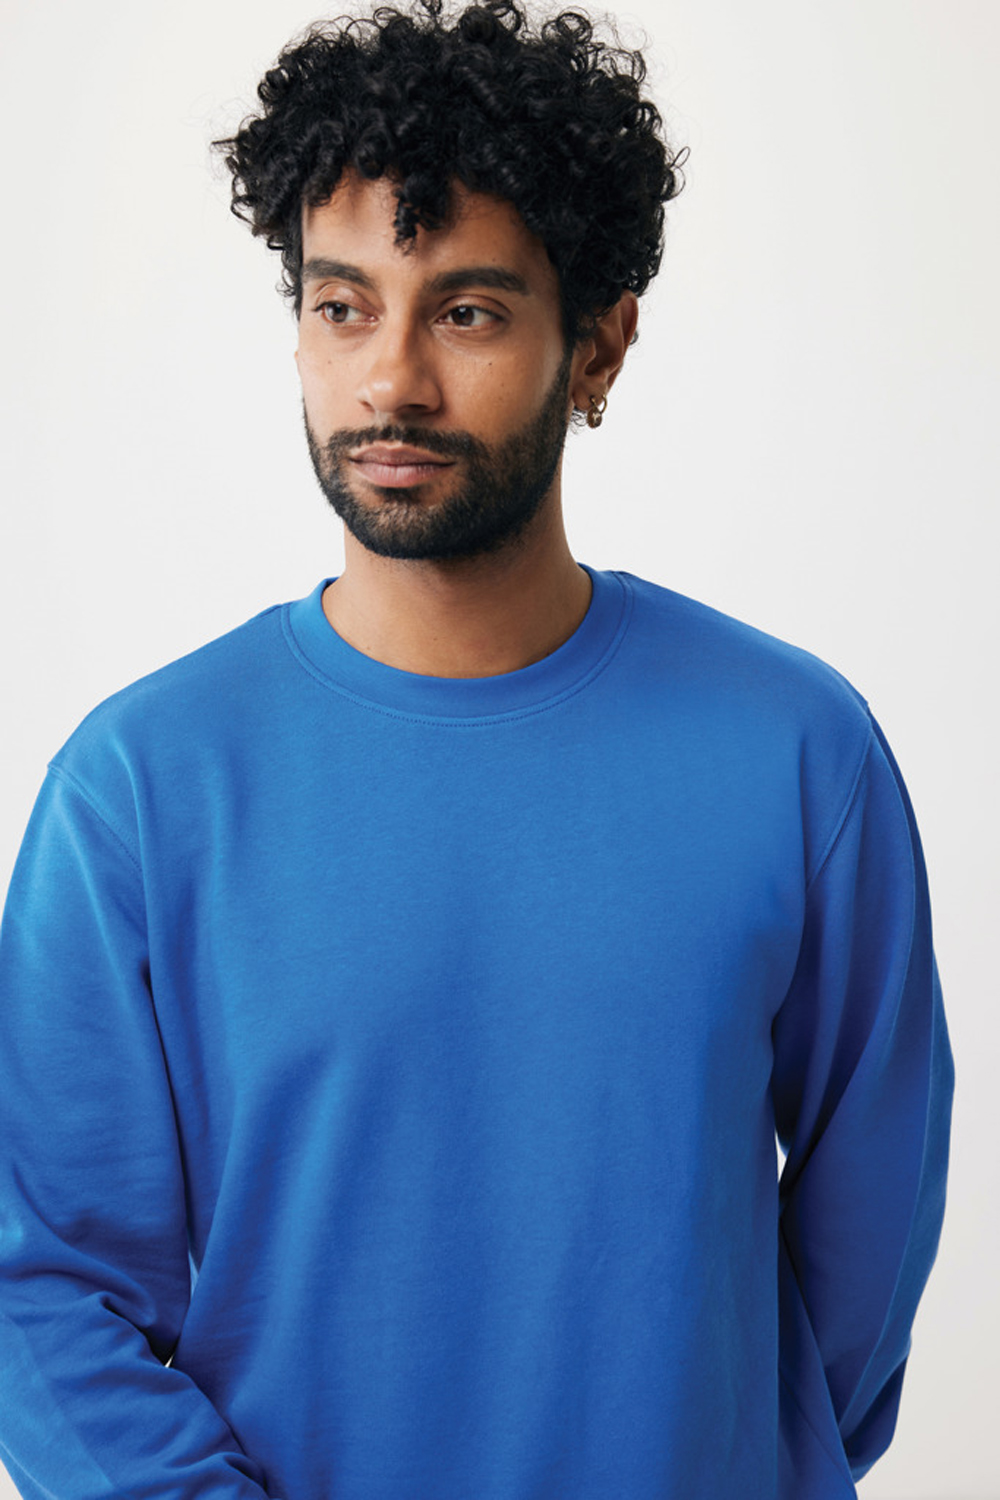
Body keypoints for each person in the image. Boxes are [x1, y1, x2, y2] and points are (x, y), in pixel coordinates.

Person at [0, 1, 953, 1496]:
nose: (390, 381)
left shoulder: (797, 754)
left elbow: (869, 1242)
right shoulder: (139, 790)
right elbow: (40, 1289)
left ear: (600, 343)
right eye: (342, 306)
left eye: (467, 312)